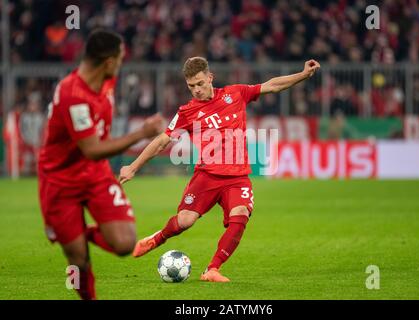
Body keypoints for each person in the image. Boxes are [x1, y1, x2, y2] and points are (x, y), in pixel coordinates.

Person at [119, 56, 320, 282]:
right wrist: (134, 166)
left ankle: (212, 269)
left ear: (210, 78)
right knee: (185, 221)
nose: (196, 90)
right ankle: (158, 238)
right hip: (206, 176)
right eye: (191, 86)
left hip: (237, 177)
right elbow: (162, 141)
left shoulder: (235, 93)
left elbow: (272, 86)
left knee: (240, 216)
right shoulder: (187, 111)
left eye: (200, 83)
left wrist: (302, 75)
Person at [37, 30, 163, 300]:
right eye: (120, 58)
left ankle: (75, 233)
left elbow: (93, 157)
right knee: (79, 261)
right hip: (60, 181)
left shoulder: (106, 78)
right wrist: (142, 133)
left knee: (125, 243)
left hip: (95, 175)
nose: (122, 63)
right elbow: (92, 150)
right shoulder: (73, 95)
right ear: (108, 62)